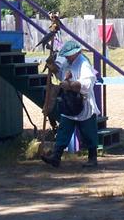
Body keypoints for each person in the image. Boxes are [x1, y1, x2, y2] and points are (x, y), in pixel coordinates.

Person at [41, 40, 100, 168]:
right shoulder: (67, 62)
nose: (67, 57)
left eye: (69, 54)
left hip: (83, 102)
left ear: (76, 53)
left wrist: (71, 85)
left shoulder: (84, 64)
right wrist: (53, 67)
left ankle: (92, 157)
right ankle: (56, 157)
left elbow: (87, 85)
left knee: (88, 132)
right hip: (68, 101)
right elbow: (61, 75)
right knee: (64, 129)